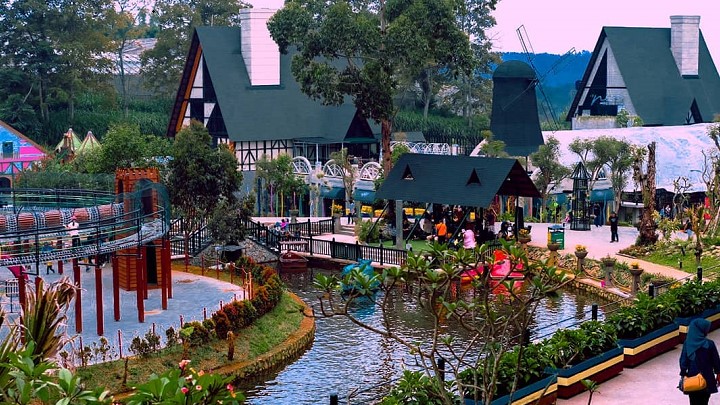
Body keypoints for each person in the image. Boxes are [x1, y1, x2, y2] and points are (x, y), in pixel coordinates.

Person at [679, 318, 720, 405]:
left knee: (693, 401)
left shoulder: (687, 343)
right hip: (707, 379)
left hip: (692, 379)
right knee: (704, 402)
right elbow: (716, 362)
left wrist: (683, 374)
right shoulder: (709, 344)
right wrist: (718, 373)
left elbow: (683, 362)